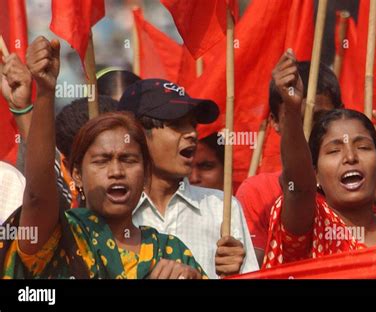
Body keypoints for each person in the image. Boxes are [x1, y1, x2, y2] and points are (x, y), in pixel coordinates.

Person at [1, 36, 205, 279]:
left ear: (146, 171)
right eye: (101, 161)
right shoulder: (60, 235)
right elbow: (38, 194)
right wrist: (45, 92)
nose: (116, 171)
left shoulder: (172, 252)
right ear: (76, 173)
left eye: (129, 160)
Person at [262, 49, 376, 269]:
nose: (350, 157)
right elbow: (298, 188)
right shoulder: (312, 222)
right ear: (315, 173)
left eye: (364, 147)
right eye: (334, 151)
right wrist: (291, 108)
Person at [118, 79, 259, 278]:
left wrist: (235, 275)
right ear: (137, 134)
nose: (192, 133)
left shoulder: (222, 208)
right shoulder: (113, 211)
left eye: (192, 124)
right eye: (176, 124)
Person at [236, 57, 344, 266]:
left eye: (320, 118)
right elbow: (251, 268)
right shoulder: (258, 192)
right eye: (295, 118)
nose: (308, 131)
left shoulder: (363, 178)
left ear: (341, 113)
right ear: (274, 122)